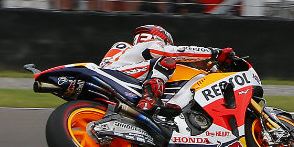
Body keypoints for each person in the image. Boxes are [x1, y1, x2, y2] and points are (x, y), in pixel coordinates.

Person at [99, 25, 236, 116]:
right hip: (118, 78)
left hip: (116, 82)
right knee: (166, 61)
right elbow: (174, 53)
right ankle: (150, 100)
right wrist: (215, 53)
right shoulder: (151, 45)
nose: (169, 45)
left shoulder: (124, 51)